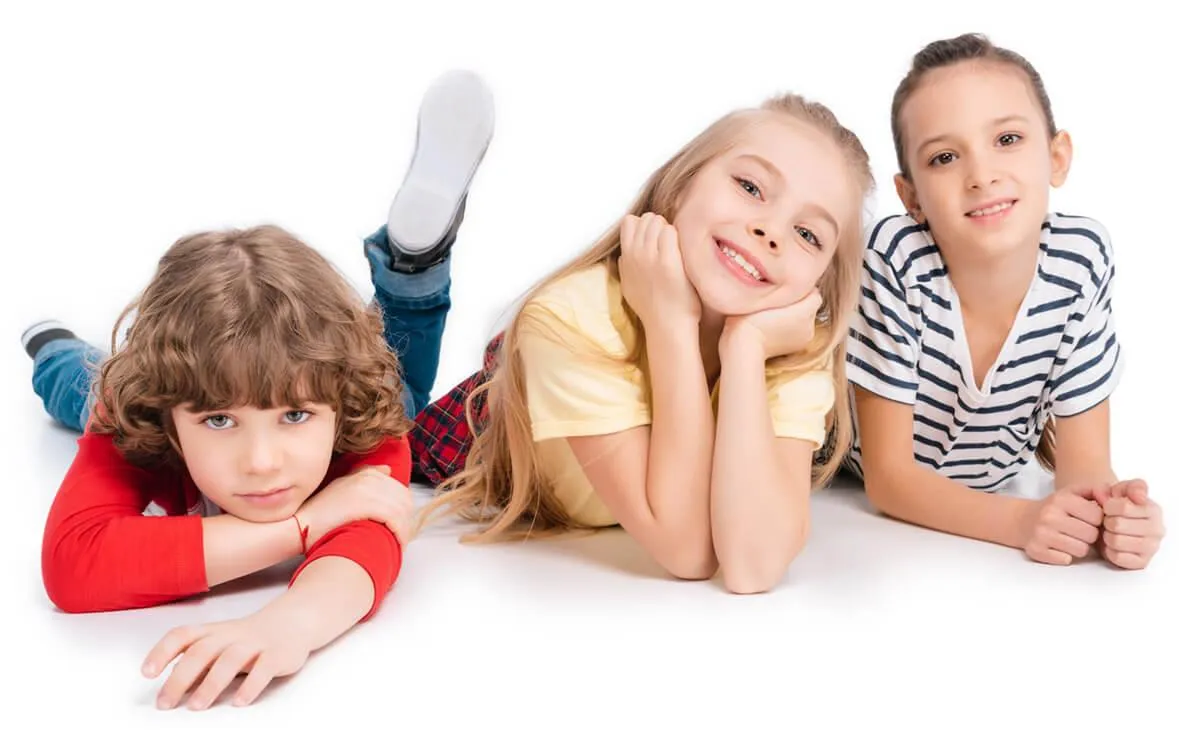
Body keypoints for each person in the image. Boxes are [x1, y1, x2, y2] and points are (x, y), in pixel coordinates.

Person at [22, 69, 496, 709]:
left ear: (336, 399)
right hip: (127, 388)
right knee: (79, 383)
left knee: (400, 386)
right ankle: (51, 344)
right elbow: (74, 567)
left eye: (295, 415)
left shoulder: (363, 410)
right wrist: (307, 524)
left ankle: (415, 266)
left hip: (364, 382)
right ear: (166, 415)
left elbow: (369, 539)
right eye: (219, 421)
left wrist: (290, 625)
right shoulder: (134, 406)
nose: (263, 460)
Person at [409, 91, 875, 594]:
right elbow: (691, 550)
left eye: (808, 235)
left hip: (592, 376)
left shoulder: (790, 346)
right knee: (379, 412)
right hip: (478, 427)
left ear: (822, 282)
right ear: (678, 188)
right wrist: (669, 318)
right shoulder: (569, 319)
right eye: (749, 186)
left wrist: (745, 348)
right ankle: (411, 276)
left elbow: (753, 566)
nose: (770, 231)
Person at [845, 32, 1165, 568]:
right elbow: (889, 479)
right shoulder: (899, 256)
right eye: (945, 156)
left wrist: (1112, 515)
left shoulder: (1080, 259)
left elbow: (1084, 464)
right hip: (842, 469)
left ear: (1057, 157)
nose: (982, 175)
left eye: (1008, 140)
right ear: (911, 198)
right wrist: (1021, 521)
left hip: (994, 474)